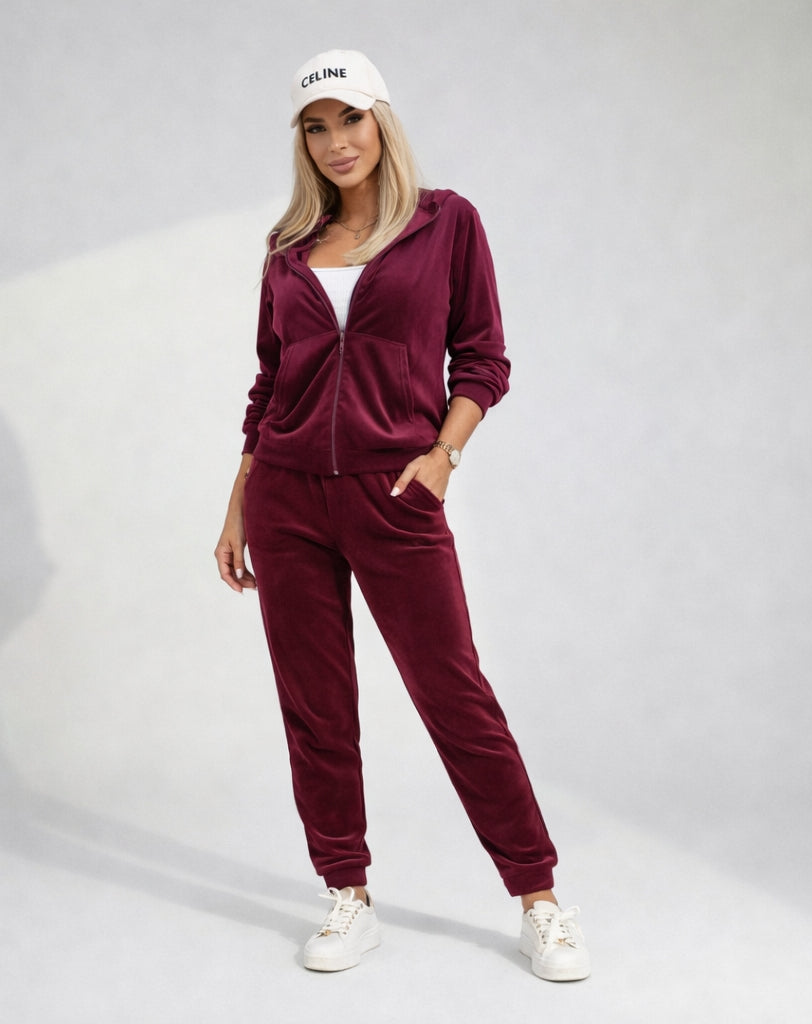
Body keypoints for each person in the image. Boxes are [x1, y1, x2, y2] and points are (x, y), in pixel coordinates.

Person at [214, 49, 589, 982]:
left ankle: (539, 899)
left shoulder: (445, 221)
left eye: (350, 118)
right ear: (302, 141)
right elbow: (270, 383)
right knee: (315, 705)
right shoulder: (288, 247)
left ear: (381, 119)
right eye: (316, 127)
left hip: (395, 493)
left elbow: (484, 358)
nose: (336, 141)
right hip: (287, 496)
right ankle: (347, 892)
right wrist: (238, 506)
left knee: (454, 694)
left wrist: (441, 458)